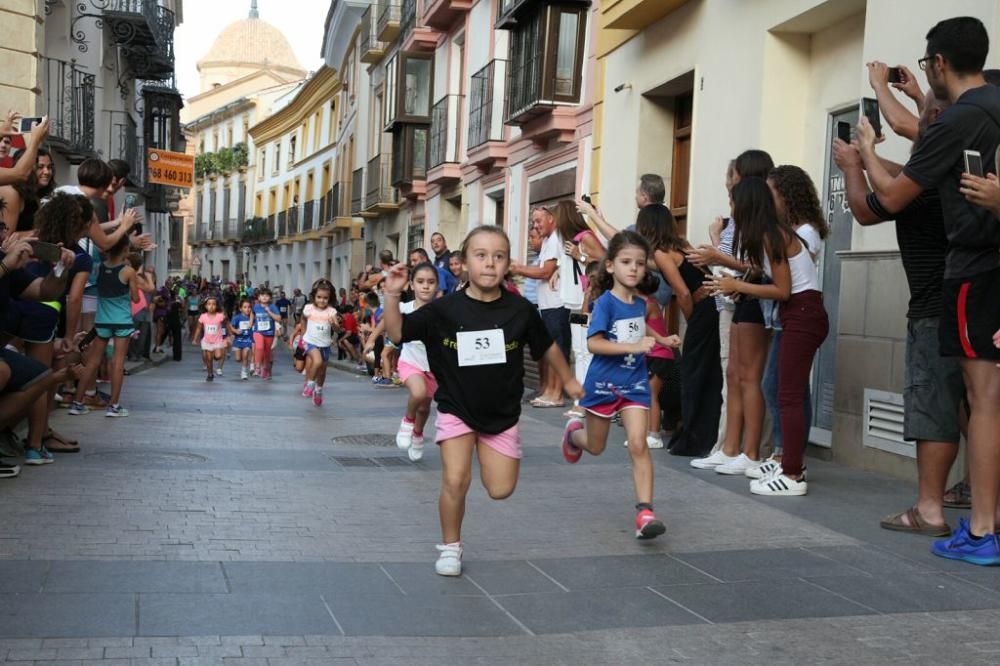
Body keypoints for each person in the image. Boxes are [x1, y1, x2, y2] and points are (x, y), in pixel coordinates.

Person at [855, 17, 1000, 564]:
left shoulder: (959, 120)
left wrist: (867, 150)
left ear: (939, 64)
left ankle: (984, 530)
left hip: (974, 271)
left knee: (984, 401)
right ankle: (987, 523)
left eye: (925, 65)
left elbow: (890, 199)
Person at [383, 225, 582, 577]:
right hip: (457, 408)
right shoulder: (444, 311)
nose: (490, 263)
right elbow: (398, 333)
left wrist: (568, 380)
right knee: (455, 480)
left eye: (499, 256)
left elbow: (546, 346)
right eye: (481, 255)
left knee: (500, 490)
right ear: (463, 263)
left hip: (502, 414)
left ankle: (503, 451)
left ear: (508, 264)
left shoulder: (520, 310)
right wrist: (391, 295)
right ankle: (450, 547)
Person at [834, 87, 961, 537]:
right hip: (974, 304)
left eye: (924, 112)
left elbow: (872, 207)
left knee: (935, 407)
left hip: (935, 309)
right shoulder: (963, 168)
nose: (915, 120)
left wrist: (855, 164)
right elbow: (903, 177)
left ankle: (929, 509)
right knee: (979, 408)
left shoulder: (927, 178)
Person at [710, 176, 828, 496]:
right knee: (776, 386)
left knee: (787, 393)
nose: (732, 211)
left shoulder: (773, 235)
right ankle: (789, 462)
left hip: (803, 313)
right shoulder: (770, 234)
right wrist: (736, 287)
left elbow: (783, 289)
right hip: (799, 314)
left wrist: (738, 286)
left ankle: (792, 474)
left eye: (735, 204)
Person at [562, 230, 679, 539]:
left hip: (635, 384)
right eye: (626, 262)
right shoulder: (605, 304)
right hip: (602, 384)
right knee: (597, 447)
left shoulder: (642, 304)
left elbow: (643, 336)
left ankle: (645, 512)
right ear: (611, 266)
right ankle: (575, 437)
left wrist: (664, 340)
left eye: (640, 264)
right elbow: (595, 344)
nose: (634, 269)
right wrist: (633, 347)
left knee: (639, 444)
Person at [69, 233, 143, 417]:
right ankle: (114, 406)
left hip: (102, 320)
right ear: (126, 250)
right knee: (117, 363)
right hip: (122, 322)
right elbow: (135, 297)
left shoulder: (99, 268)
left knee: (92, 361)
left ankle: (77, 402)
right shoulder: (128, 271)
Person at [509, 206, 568, 408]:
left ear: (551, 219)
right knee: (550, 349)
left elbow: (545, 272)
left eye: (538, 220)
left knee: (557, 349)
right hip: (548, 305)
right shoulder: (548, 242)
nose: (535, 225)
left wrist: (519, 269)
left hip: (556, 304)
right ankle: (550, 391)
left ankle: (557, 393)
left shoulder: (555, 239)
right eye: (533, 222)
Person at [394, 262, 439, 462]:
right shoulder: (404, 308)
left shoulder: (442, 312)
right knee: (418, 393)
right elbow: (387, 321)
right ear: (411, 285)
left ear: (437, 285)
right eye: (420, 281)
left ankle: (418, 433)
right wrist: (371, 339)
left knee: (425, 406)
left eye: (431, 282)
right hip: (410, 361)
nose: (425, 286)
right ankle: (407, 420)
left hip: (433, 366)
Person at [296, 280, 339, 406]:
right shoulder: (308, 308)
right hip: (310, 342)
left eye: (325, 298)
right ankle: (310, 383)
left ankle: (319, 390)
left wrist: (334, 324)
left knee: (322, 371)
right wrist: (303, 333)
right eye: (319, 297)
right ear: (314, 297)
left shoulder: (331, 311)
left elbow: (337, 329)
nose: (322, 300)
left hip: (325, 344)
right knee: (317, 361)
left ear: (329, 299)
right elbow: (303, 319)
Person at [191, 296, 226, 381]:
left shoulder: (220, 316)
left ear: (216, 306)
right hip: (207, 341)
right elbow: (199, 328)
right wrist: (195, 339)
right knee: (209, 359)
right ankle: (210, 374)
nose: (211, 306)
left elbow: (226, 324)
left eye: (214, 304)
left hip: (217, 341)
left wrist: (229, 335)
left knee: (218, 356)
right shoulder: (203, 316)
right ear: (206, 306)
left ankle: (215, 356)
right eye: (209, 304)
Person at [252, 288, 281, 379]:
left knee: (267, 353)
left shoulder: (272, 307)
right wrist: (250, 323)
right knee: (259, 347)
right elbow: (252, 314)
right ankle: (257, 367)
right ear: (259, 297)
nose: (264, 297)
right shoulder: (256, 306)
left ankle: (266, 369)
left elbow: (278, 319)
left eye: (267, 295)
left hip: (269, 333)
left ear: (270, 298)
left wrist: (269, 311)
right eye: (262, 295)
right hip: (258, 331)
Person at [228, 298, 255, 380]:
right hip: (238, 340)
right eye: (245, 307)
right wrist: (235, 330)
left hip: (248, 340)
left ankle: (244, 372)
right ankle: (244, 362)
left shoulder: (252, 318)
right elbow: (231, 326)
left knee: (246, 353)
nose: (247, 309)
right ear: (240, 308)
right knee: (238, 358)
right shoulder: (237, 318)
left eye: (249, 307)